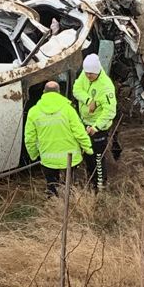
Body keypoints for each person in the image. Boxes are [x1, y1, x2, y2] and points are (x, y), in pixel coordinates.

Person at [24, 80, 92, 197]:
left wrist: (34, 154)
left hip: (48, 158)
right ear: (59, 92)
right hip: (70, 158)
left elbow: (29, 138)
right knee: (71, 187)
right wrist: (88, 148)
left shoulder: (33, 112)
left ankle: (53, 204)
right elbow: (79, 132)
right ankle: (72, 206)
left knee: (52, 186)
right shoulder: (68, 109)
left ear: (44, 92)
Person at [73, 52, 118, 191]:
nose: (87, 76)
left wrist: (96, 127)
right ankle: (90, 182)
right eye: (86, 73)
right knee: (88, 154)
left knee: (98, 156)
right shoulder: (85, 75)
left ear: (97, 71)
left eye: (90, 74)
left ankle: (101, 185)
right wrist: (89, 100)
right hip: (85, 122)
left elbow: (110, 111)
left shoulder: (106, 87)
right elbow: (76, 89)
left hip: (99, 127)